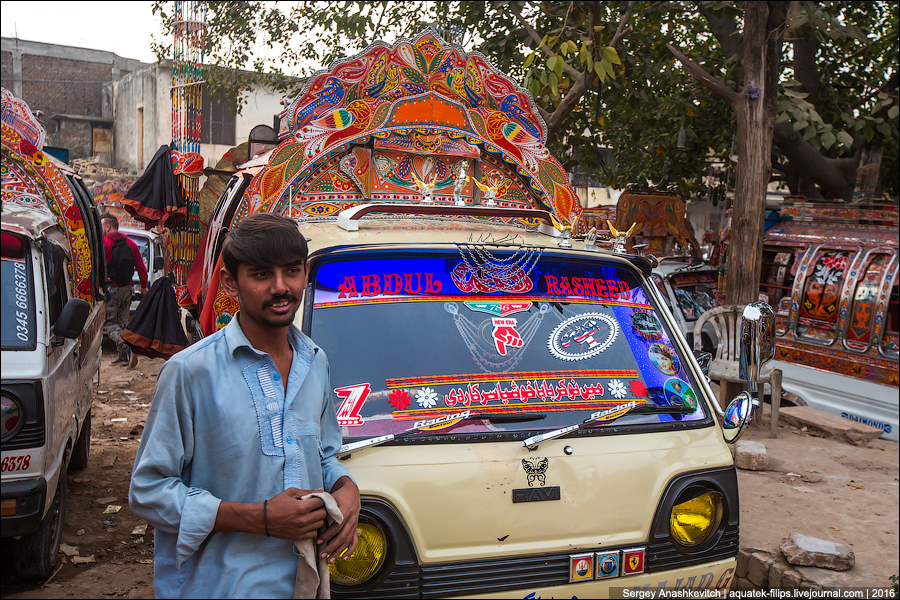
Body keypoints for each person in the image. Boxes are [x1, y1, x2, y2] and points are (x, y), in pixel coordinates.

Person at [129, 213, 360, 598]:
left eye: (291, 271)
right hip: (218, 587)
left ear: (305, 273)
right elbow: (148, 491)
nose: (280, 287)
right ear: (230, 281)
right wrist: (260, 518)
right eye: (260, 274)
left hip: (302, 585)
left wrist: (346, 485)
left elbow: (323, 454)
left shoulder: (314, 361)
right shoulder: (190, 371)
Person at [101, 212, 148, 367]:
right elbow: (141, 266)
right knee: (122, 324)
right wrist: (144, 286)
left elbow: (101, 268)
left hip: (112, 289)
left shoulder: (105, 243)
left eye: (102, 226)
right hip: (127, 288)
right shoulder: (130, 243)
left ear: (108, 227)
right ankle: (124, 356)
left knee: (108, 324)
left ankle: (126, 346)